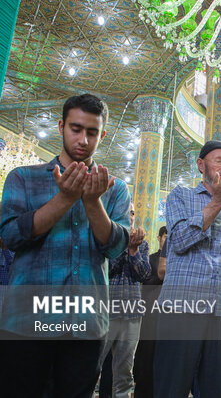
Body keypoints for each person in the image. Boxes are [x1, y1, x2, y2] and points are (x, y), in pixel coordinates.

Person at [0, 94, 131, 397]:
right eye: (76, 128)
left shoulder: (112, 188)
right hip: (28, 320)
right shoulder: (23, 178)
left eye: (92, 132)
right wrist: (65, 199)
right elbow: (11, 237)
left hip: (86, 323)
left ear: (103, 134)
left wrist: (92, 201)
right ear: (61, 126)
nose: (83, 139)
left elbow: (114, 248)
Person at [154, 140, 221, 398]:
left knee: (214, 387)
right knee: (172, 385)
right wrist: (219, 200)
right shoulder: (181, 195)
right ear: (201, 165)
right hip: (184, 304)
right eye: (219, 160)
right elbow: (178, 241)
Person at [99, 203, 150, 398]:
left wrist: (134, 251)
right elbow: (108, 269)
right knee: (92, 365)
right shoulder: (103, 240)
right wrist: (124, 248)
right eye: (127, 212)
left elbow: (144, 274)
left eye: (133, 213)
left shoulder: (141, 244)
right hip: (105, 312)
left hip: (132, 314)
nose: (130, 216)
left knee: (124, 373)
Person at [133, 225, 167, 398]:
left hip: (169, 317)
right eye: (165, 236)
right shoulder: (151, 259)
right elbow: (147, 279)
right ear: (159, 238)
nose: (167, 241)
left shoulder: (175, 262)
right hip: (150, 316)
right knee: (146, 360)